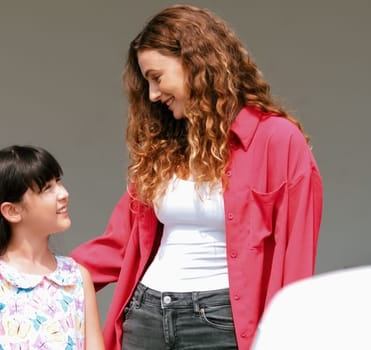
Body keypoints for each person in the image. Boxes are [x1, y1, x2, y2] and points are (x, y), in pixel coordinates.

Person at [71, 5, 324, 350]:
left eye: (156, 77)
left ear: (195, 63)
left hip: (222, 324)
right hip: (146, 316)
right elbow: (119, 243)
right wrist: (41, 275)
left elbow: (295, 258)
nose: (153, 95)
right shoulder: (164, 146)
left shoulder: (276, 139)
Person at [0, 145, 104, 350]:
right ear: (12, 211)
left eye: (58, 182)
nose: (63, 194)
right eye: (47, 188)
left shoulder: (77, 277)